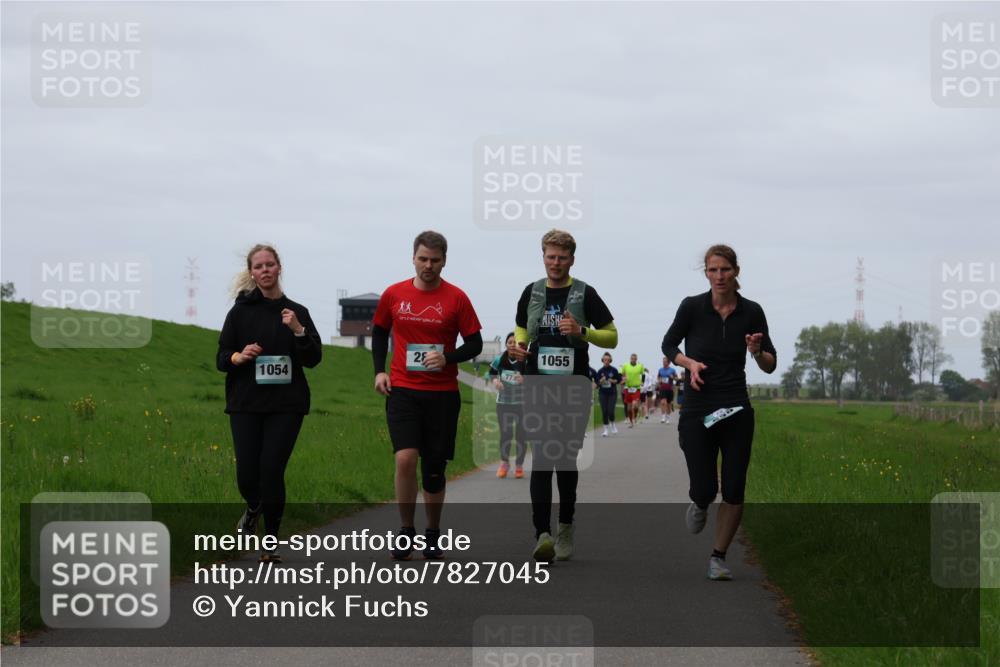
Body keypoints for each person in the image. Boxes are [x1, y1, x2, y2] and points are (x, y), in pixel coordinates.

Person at [661, 244, 776, 580]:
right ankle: (699, 502)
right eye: (713, 270)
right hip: (698, 406)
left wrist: (756, 351)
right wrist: (689, 362)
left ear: (736, 271)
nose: (719, 276)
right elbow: (668, 345)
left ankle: (718, 557)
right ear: (706, 273)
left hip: (736, 405)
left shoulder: (751, 312)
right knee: (705, 488)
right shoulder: (692, 307)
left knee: (735, 486)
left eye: (725, 269)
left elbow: (770, 365)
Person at [372, 231, 483, 560]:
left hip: (442, 394)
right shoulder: (394, 294)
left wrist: (447, 357)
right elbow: (379, 332)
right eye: (423, 259)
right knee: (405, 458)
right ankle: (406, 530)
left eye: (435, 260)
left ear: (444, 261)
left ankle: (432, 532)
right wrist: (380, 370)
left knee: (434, 468)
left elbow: (475, 343)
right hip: (404, 389)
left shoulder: (457, 298)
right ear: (413, 258)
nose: (428, 266)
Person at [510, 229, 617, 561]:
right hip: (537, 384)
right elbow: (521, 332)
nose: (555, 263)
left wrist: (582, 331)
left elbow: (612, 337)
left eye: (562, 257)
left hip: (572, 386)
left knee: (565, 459)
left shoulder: (586, 293)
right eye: (550, 256)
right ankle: (542, 534)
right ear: (542, 256)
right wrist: (517, 349)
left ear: (572, 259)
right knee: (542, 457)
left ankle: (566, 526)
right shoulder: (531, 292)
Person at [217, 244, 323, 563]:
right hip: (246, 402)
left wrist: (298, 331)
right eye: (258, 266)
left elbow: (314, 359)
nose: (265, 270)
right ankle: (253, 509)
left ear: (279, 268)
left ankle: (271, 541)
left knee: (271, 471)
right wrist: (239, 356)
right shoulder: (239, 313)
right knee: (248, 476)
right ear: (252, 273)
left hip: (286, 404)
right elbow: (222, 357)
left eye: (270, 264)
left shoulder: (296, 312)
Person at [488, 332, 527, 479]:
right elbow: (491, 373)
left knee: (521, 435)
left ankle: (519, 465)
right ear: (506, 344)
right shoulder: (500, 358)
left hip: (522, 404)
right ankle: (504, 463)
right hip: (503, 403)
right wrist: (495, 382)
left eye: (515, 342)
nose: (512, 345)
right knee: (506, 434)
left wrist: (524, 379)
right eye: (510, 342)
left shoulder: (524, 360)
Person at [594, 352, 622, 437]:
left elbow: (619, 380)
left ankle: (612, 424)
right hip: (603, 393)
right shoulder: (600, 371)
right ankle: (605, 429)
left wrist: (613, 381)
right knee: (604, 411)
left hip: (612, 393)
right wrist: (600, 381)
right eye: (605, 360)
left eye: (608, 360)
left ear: (610, 360)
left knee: (610, 411)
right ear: (602, 360)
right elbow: (596, 385)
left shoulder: (614, 370)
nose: (606, 361)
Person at [620, 353, 644, 428]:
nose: (633, 360)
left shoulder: (640, 366)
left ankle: (635, 416)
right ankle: (631, 422)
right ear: (630, 359)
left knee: (635, 405)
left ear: (636, 359)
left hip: (636, 388)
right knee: (629, 408)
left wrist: (642, 382)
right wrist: (623, 379)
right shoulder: (625, 366)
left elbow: (643, 374)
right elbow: (621, 374)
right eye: (632, 358)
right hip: (628, 388)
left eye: (634, 359)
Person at [656, 357, 677, 424]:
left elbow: (677, 378)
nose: (663, 363)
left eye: (665, 362)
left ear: (668, 362)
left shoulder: (672, 370)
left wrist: (672, 377)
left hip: (670, 389)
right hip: (662, 389)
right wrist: (659, 380)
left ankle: (668, 417)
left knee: (668, 404)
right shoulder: (660, 370)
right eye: (663, 361)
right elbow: (658, 377)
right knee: (662, 402)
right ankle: (663, 417)